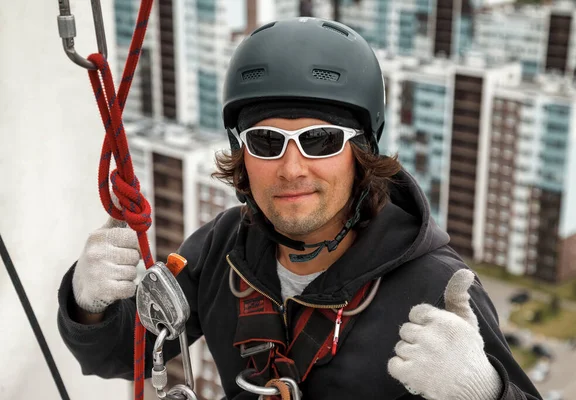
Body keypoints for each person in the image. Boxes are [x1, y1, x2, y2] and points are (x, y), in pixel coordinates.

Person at [57, 17, 542, 400]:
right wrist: (90, 306)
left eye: (320, 140)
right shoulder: (224, 248)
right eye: (267, 141)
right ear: (242, 154)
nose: (291, 168)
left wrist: (485, 392)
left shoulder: (438, 289)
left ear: (361, 152)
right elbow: (132, 357)